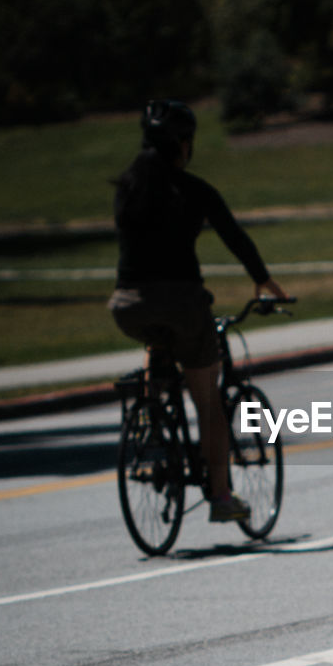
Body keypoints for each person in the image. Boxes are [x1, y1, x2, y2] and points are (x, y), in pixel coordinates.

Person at [108, 99, 287, 523]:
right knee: (209, 402)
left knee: (157, 342)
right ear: (184, 144)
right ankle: (222, 498)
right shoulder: (193, 190)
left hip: (127, 305)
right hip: (183, 303)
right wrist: (264, 281)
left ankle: (153, 436)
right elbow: (235, 237)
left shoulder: (127, 188)